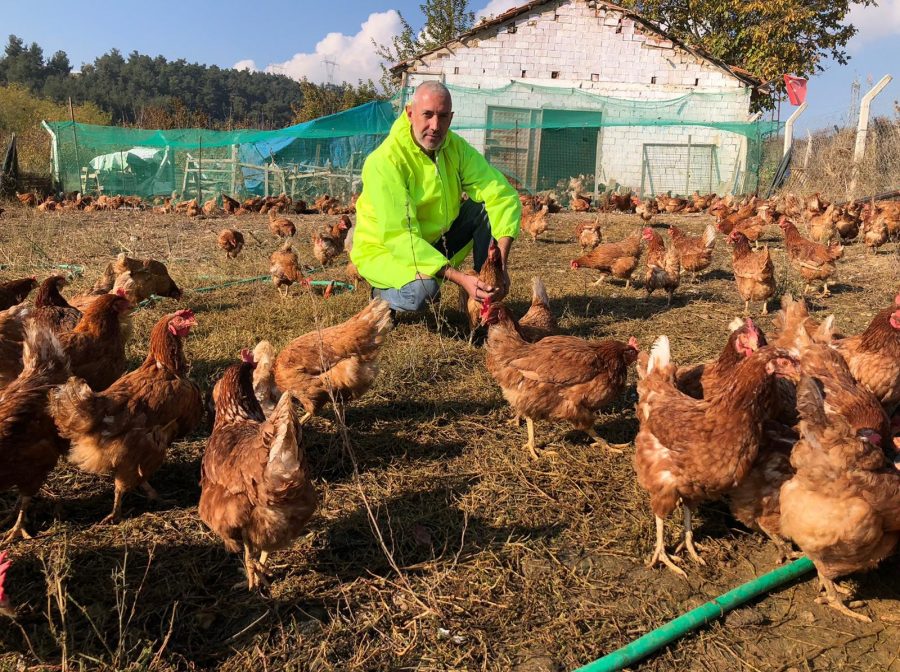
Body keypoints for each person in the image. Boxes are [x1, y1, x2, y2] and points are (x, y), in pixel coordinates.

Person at [350, 81, 521, 313]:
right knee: (424, 291)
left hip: (432, 241)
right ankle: (381, 293)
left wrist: (498, 265)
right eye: (427, 115)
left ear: (451, 118)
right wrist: (458, 277)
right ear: (410, 114)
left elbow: (501, 194)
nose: (435, 125)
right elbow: (400, 237)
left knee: (484, 207)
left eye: (442, 117)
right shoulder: (385, 162)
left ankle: (485, 292)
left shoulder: (455, 147)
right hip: (388, 252)